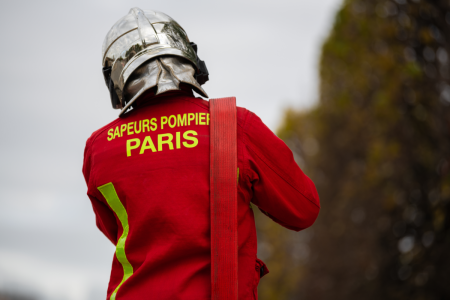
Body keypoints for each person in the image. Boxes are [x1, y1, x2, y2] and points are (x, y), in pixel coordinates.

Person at [83, 8, 320, 300]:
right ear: (188, 56)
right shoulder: (235, 126)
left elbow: (117, 230)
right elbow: (304, 209)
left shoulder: (99, 147)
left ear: (115, 78)